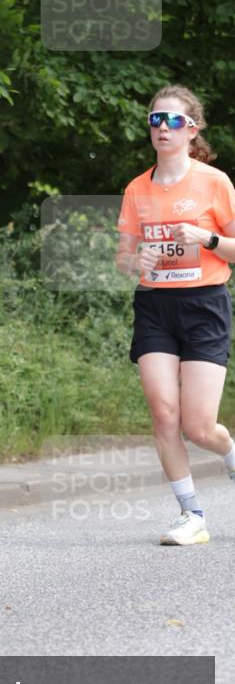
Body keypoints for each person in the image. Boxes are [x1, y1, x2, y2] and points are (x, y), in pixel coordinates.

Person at [117, 84, 235, 545]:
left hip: (204, 305)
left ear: (192, 129)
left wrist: (205, 240)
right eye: (155, 120)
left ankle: (228, 451)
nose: (162, 128)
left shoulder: (214, 182)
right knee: (164, 415)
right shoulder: (136, 189)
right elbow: (124, 256)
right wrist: (136, 261)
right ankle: (191, 514)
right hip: (154, 308)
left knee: (199, 426)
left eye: (172, 121)